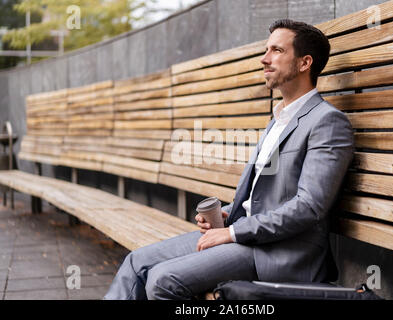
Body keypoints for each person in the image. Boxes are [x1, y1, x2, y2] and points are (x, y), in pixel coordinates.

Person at [103, 19, 354, 300]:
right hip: (248, 235)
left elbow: (309, 207)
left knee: (163, 280)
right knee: (137, 262)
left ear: (304, 62)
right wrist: (228, 213)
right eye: (266, 49)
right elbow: (264, 195)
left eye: (277, 51)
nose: (264, 58)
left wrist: (234, 232)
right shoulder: (278, 119)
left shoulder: (327, 122)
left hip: (279, 253)